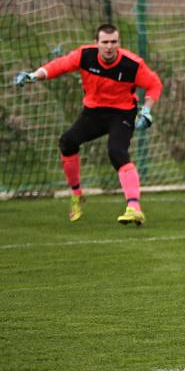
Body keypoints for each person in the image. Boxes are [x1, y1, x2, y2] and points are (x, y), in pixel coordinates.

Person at [14, 23, 162, 226]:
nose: (109, 47)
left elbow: (155, 84)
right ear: (97, 43)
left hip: (122, 113)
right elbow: (59, 65)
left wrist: (146, 109)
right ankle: (77, 195)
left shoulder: (132, 64)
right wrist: (33, 75)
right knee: (67, 142)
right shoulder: (85, 55)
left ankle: (134, 208)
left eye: (113, 42)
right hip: (93, 113)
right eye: (105, 42)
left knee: (117, 152)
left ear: (118, 43)